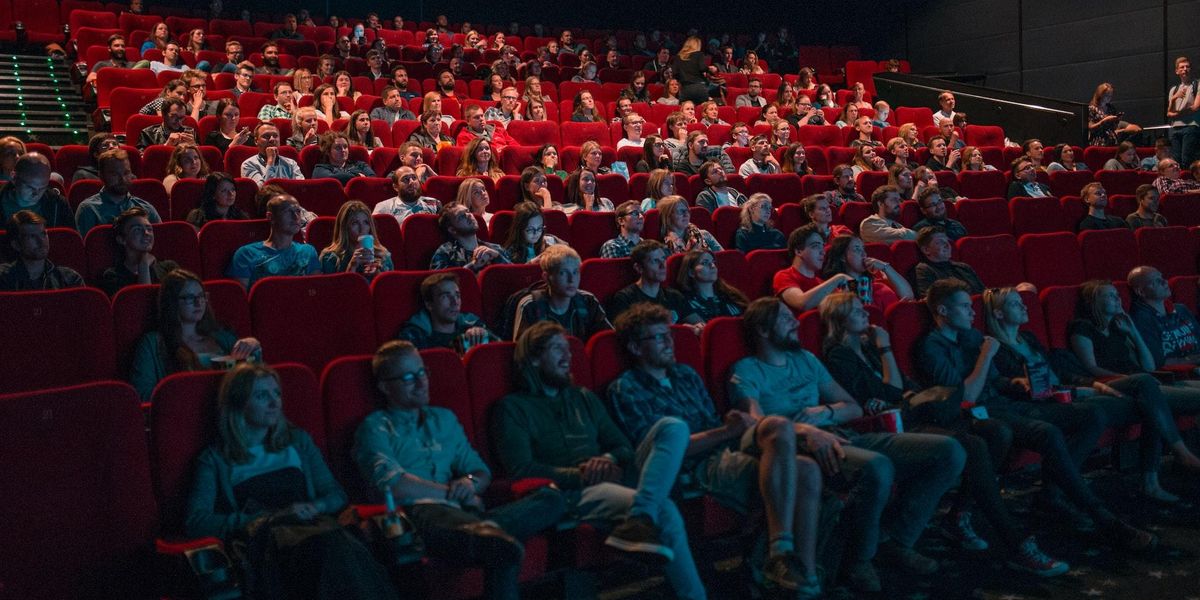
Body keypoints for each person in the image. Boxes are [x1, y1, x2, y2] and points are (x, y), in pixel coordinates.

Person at [819, 292, 1070, 576]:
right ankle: (1014, 542)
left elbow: (903, 386)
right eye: (855, 311)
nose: (866, 313)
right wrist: (887, 349)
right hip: (898, 424)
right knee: (973, 446)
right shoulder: (839, 355)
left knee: (996, 432)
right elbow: (888, 392)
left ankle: (960, 515)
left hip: (920, 413)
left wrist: (896, 375)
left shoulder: (867, 348)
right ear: (839, 320)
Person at [731, 297, 965, 592]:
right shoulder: (747, 370)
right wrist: (805, 430)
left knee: (949, 451)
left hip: (842, 432)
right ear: (763, 330)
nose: (795, 322)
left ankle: (896, 539)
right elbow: (758, 425)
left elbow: (852, 407)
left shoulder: (806, 359)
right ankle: (859, 560)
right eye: (785, 318)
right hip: (802, 448)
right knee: (877, 467)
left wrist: (824, 412)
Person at [916, 279, 1158, 551]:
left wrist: (1018, 383)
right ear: (943, 311)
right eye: (964, 307)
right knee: (1047, 432)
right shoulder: (932, 347)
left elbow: (995, 383)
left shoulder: (972, 337)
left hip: (1004, 404)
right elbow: (967, 397)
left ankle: (1052, 495)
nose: (973, 313)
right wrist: (986, 355)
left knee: (1091, 415)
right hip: (975, 415)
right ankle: (1102, 517)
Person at [607, 304, 826, 597]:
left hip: (726, 445)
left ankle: (801, 572)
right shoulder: (627, 388)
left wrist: (731, 425)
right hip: (695, 466)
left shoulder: (685, 375)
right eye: (658, 338)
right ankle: (788, 568)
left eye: (669, 335)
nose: (669, 342)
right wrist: (726, 431)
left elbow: (713, 424)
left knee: (780, 428)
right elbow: (663, 453)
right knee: (804, 472)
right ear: (635, 347)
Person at [493, 322, 709, 598]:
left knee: (673, 427)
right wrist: (581, 474)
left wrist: (606, 459)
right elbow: (521, 469)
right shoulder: (512, 408)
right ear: (534, 358)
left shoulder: (582, 397)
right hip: (575, 492)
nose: (568, 357)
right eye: (558, 349)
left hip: (616, 473)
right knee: (664, 509)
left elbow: (622, 448)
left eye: (569, 349)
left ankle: (640, 515)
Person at [187, 363, 398, 600]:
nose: (274, 402)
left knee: (339, 546)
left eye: (276, 393)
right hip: (269, 542)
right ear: (238, 404)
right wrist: (261, 519)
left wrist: (315, 506)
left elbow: (335, 494)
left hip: (315, 528)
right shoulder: (215, 459)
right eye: (261, 395)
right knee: (333, 549)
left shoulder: (297, 441)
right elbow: (196, 521)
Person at [128, 268, 260, 399]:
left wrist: (254, 347)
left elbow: (254, 379)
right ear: (172, 302)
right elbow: (142, 394)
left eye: (201, 296)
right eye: (190, 297)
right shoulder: (152, 343)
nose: (198, 303)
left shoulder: (222, 337)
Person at [511, 245, 611, 341]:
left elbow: (606, 341)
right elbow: (523, 353)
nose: (571, 280)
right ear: (546, 277)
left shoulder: (588, 301)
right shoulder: (531, 305)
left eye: (575, 272)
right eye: (563, 273)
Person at [227, 194, 319, 288]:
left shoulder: (308, 251)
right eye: (287, 211)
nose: (296, 217)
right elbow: (240, 299)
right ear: (270, 217)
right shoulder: (246, 254)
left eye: (298, 211)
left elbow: (315, 292)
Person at [606, 239, 702, 326]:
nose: (663, 266)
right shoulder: (625, 298)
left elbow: (699, 323)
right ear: (639, 268)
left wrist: (696, 328)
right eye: (655, 261)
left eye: (663, 259)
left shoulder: (674, 296)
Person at [398, 273, 495, 351]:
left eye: (457, 295)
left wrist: (485, 335)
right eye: (445, 296)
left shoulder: (473, 326)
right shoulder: (415, 338)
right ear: (429, 305)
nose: (454, 302)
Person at [76, 149, 161, 237]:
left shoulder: (146, 208)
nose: (122, 179)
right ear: (101, 176)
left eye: (126, 173)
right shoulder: (88, 209)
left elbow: (160, 243)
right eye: (115, 174)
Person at [821, 234, 913, 311]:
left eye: (863, 249)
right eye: (857, 249)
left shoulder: (877, 277)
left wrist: (885, 267)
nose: (864, 254)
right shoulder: (837, 286)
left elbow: (908, 296)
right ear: (842, 257)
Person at [774, 224, 852, 313]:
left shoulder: (821, 283)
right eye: (816, 246)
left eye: (823, 246)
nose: (823, 252)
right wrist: (839, 278)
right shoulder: (784, 276)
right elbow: (801, 303)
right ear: (799, 251)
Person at [99, 207, 177, 296]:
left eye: (149, 229)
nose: (146, 233)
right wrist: (143, 264)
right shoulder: (112, 276)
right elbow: (142, 304)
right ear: (122, 240)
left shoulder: (169, 268)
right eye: (137, 229)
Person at [0, 211, 83, 290]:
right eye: (32, 236)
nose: (41, 241)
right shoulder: (3, 278)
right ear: (16, 245)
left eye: (43, 234)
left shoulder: (70, 279)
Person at [319, 201, 392, 278]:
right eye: (355, 223)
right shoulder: (330, 257)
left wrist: (378, 274)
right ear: (345, 228)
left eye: (366, 222)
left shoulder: (382, 255)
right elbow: (333, 289)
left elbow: (389, 287)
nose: (362, 228)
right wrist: (352, 267)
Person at [430, 203, 509, 272]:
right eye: (461, 216)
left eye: (467, 211)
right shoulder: (445, 252)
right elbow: (440, 284)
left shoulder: (495, 249)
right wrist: (473, 266)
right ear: (452, 229)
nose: (468, 215)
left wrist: (498, 257)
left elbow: (516, 276)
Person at [0, 153, 72, 229]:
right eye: (30, 187)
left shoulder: (58, 204)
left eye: (42, 188)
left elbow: (70, 238)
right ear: (13, 178)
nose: (36, 194)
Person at [675, 250, 748, 320]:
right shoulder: (684, 301)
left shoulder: (730, 295)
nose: (712, 266)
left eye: (713, 262)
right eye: (705, 263)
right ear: (691, 272)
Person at [912, 226, 985, 296]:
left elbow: (984, 293)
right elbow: (931, 300)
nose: (947, 245)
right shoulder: (924, 269)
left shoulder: (964, 267)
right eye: (940, 242)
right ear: (926, 250)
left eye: (947, 241)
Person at [373, 166, 440, 226]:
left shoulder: (434, 203)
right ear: (395, 187)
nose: (412, 182)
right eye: (406, 179)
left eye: (414, 177)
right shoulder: (383, 208)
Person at [658, 195, 722, 254]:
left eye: (687, 211)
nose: (686, 214)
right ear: (668, 216)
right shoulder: (663, 246)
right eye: (681, 211)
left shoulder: (704, 235)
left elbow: (722, 259)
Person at [1168, 56, 1200, 168]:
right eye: (1181, 67)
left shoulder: (1197, 84)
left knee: (1187, 160)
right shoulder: (1174, 89)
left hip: (1191, 127)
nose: (1185, 69)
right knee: (1176, 162)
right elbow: (1169, 113)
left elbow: (1195, 107)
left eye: (1187, 66)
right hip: (1175, 128)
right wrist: (1173, 98)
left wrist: (1177, 114)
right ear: (1177, 71)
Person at [671, 36, 709, 104]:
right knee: (701, 111)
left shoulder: (678, 57)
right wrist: (709, 69)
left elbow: (674, 73)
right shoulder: (699, 54)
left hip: (685, 88)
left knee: (685, 111)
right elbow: (702, 68)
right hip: (699, 88)